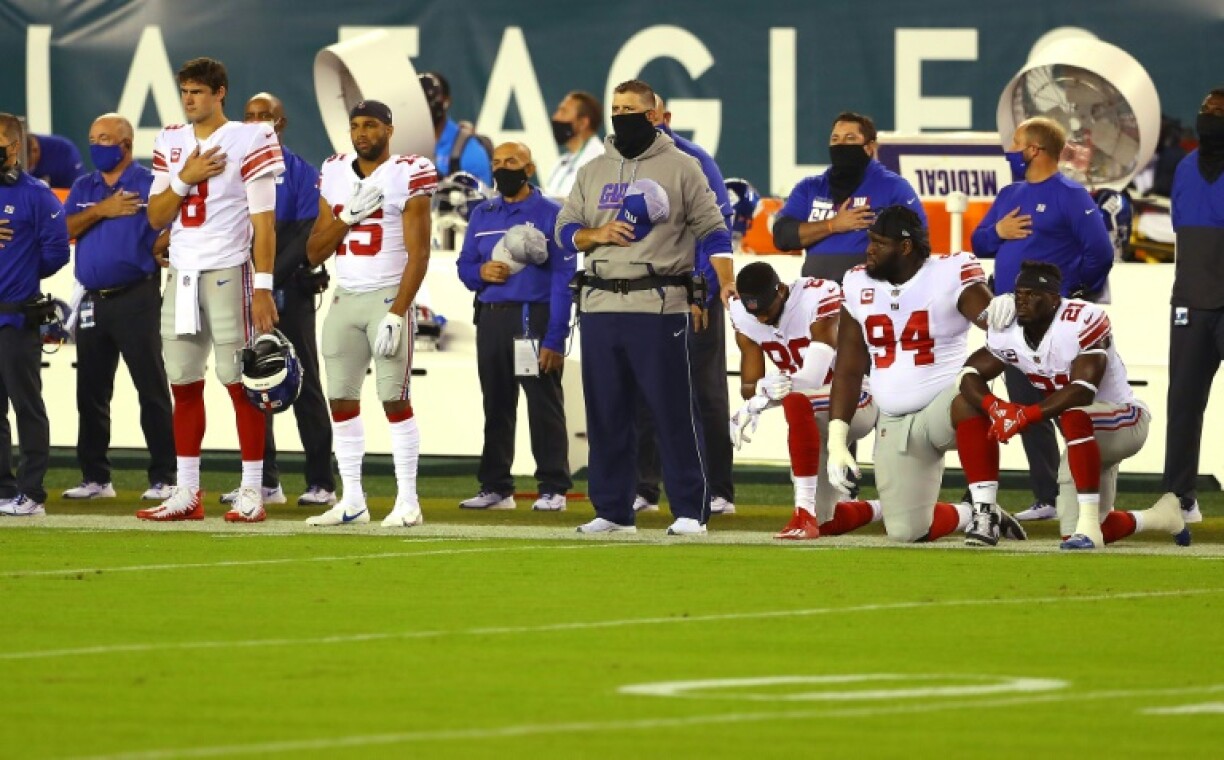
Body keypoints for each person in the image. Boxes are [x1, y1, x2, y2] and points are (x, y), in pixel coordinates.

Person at [555, 78, 733, 536]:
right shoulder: (593, 169)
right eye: (615, 107)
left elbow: (714, 230)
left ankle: (691, 510)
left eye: (631, 108)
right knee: (606, 412)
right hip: (598, 304)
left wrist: (724, 282)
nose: (621, 115)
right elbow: (564, 229)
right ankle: (613, 511)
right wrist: (592, 235)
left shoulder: (683, 167)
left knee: (672, 411)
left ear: (653, 115)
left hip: (658, 304)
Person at [136, 57, 284, 523]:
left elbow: (265, 222)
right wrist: (186, 176)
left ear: (220, 93)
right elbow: (156, 215)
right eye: (184, 91)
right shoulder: (172, 139)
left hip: (227, 269)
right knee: (183, 383)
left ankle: (252, 491)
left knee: (242, 383)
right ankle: (187, 492)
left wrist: (263, 286)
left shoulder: (250, 136)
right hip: (181, 272)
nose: (188, 99)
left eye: (197, 91)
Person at [825, 205, 1026, 546]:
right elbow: (847, 368)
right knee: (906, 531)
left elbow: (990, 319)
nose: (869, 250)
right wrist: (836, 438)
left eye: (879, 243)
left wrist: (1000, 309)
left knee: (969, 395)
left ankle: (985, 509)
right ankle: (967, 513)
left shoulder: (948, 272)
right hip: (894, 420)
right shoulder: (857, 282)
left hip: (943, 405)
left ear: (905, 248)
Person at [958, 260, 1186, 549]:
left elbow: (1082, 391)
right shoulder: (1010, 330)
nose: (1021, 301)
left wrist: (1023, 416)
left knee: (1075, 415)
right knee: (1070, 531)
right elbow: (969, 374)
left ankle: (1089, 528)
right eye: (1018, 294)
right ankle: (1162, 516)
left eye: (1031, 295)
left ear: (1054, 299)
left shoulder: (1081, 320)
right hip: (1082, 439)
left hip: (1124, 421)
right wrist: (995, 407)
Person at [971, 116, 1114, 522]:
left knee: (1067, 405)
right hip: (1013, 320)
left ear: (1034, 149)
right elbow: (979, 241)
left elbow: (1100, 252)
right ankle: (1046, 496)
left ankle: (1083, 494)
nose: (1010, 151)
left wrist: (1070, 294)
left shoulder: (1071, 195)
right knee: (1024, 402)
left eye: (1016, 144)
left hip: (1055, 321)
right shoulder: (1009, 194)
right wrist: (998, 229)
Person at [305, 100, 436, 528]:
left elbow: (419, 254)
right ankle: (353, 500)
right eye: (356, 125)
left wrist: (399, 311)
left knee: (394, 399)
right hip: (346, 296)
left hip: (386, 295)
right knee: (341, 400)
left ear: (389, 130)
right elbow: (314, 251)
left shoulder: (408, 171)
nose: (362, 133)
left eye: (371, 125)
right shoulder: (335, 170)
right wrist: (347, 215)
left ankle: (408, 500)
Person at [61, 113, 175, 502]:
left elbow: (170, 227)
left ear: (126, 144)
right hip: (93, 299)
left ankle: (165, 476)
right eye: (93, 137)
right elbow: (64, 230)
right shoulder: (83, 186)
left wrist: (163, 246)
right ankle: (96, 477)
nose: (97, 145)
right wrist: (101, 210)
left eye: (106, 138)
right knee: (90, 391)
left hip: (136, 297)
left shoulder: (149, 184)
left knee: (151, 388)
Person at [456, 141, 575, 512]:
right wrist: (480, 272)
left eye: (512, 161)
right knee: (496, 403)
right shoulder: (482, 213)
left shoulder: (551, 214)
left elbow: (564, 278)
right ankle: (496, 487)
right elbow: (463, 266)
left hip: (530, 319)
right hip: (491, 318)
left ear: (529, 168)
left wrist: (556, 336)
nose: (502, 168)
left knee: (542, 402)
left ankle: (553, 486)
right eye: (496, 162)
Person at [632, 94, 736, 516]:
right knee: (642, 394)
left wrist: (701, 292)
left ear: (665, 117)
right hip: (640, 298)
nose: (633, 121)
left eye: (643, 113)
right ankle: (644, 486)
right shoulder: (624, 163)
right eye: (621, 113)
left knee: (704, 394)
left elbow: (715, 232)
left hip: (691, 297)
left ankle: (717, 488)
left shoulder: (695, 161)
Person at [728, 262, 880, 539]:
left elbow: (813, 377)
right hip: (811, 418)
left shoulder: (817, 296)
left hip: (854, 400)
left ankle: (802, 513)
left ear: (781, 291)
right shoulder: (741, 313)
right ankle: (886, 510)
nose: (761, 319)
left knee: (797, 400)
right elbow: (748, 386)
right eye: (755, 314)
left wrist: (760, 400)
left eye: (766, 311)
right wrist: (761, 389)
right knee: (829, 522)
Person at [235, 92, 337, 508]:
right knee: (253, 384)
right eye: (251, 116)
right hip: (242, 288)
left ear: (282, 123)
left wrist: (264, 278)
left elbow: (303, 233)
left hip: (288, 291)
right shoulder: (231, 166)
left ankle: (321, 482)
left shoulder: (299, 171)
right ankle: (265, 481)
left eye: (266, 116)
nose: (258, 122)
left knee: (304, 380)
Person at [0, 112, 70, 516]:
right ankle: (3, 486)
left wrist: (22, 267)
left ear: (14, 147)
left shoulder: (36, 195)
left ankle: (31, 492)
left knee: (26, 404)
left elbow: (57, 251)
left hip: (15, 317)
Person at [1163, 86, 1224, 525]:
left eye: (1219, 112)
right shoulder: (1184, 169)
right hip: (1190, 302)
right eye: (1206, 110)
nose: (1209, 117)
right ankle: (1180, 497)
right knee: (1183, 402)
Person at [773, 112, 925, 282]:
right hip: (817, 296)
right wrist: (832, 225)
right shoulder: (810, 187)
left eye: (850, 138)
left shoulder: (893, 187)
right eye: (835, 139)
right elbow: (782, 236)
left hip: (870, 295)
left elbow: (918, 241)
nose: (841, 145)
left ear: (869, 147)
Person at [419, 71, 492, 186]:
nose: (424, 107)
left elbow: (483, 200)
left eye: (428, 100)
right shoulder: (403, 142)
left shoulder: (468, 149)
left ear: (446, 101)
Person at [544, 91, 603, 197]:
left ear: (583, 123)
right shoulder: (561, 162)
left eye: (563, 112)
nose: (555, 117)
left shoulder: (600, 162)